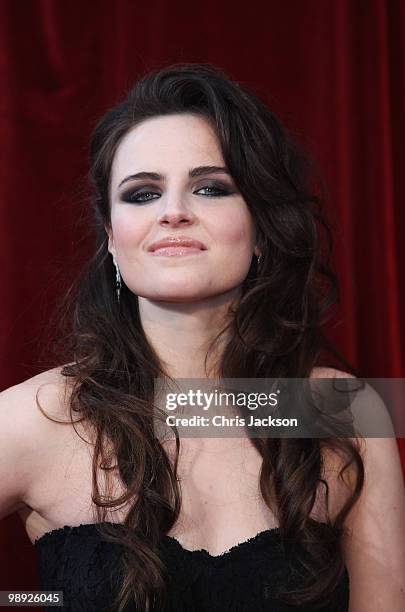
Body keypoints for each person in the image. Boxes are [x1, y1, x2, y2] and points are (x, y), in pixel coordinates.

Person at [1, 62, 404, 612]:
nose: (173, 213)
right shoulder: (36, 417)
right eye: (142, 194)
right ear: (113, 240)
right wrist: (32, 602)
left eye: (210, 187)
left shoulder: (345, 414)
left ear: (261, 228)